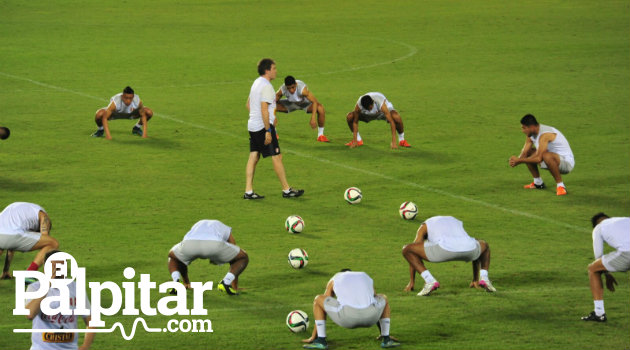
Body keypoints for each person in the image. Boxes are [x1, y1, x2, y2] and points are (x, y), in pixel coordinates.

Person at [244, 58, 304, 200]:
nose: (276, 71)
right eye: (274, 68)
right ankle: (286, 190)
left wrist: (261, 117)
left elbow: (248, 104)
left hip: (252, 125)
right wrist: (267, 129)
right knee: (276, 156)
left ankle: (248, 191)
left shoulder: (256, 83)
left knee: (254, 155)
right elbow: (264, 108)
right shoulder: (267, 87)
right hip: (262, 127)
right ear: (267, 70)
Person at [302, 269, 400, 349]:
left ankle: (321, 340)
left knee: (318, 299)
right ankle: (386, 338)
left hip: (347, 318)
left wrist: (313, 336)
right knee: (383, 298)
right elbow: (374, 297)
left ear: (341, 272)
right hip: (372, 317)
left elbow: (323, 306)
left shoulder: (335, 278)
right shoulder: (365, 275)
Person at [402, 215, 496, 296]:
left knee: (407, 249)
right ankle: (483, 278)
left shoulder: (425, 225)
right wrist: (475, 279)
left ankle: (429, 280)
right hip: (470, 250)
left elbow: (414, 251)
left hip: (444, 250)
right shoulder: (455, 221)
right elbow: (470, 246)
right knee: (485, 246)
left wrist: (412, 282)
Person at [25, 250, 95, 350]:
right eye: (54, 267)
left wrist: (85, 346)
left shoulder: (75, 288)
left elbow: (91, 320)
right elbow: (29, 314)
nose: (57, 271)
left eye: (61, 267)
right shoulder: (35, 288)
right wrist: (47, 285)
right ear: (45, 268)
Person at [168, 219, 249, 296]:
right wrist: (234, 285)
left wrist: (186, 281)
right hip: (213, 245)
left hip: (189, 244)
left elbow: (182, 259)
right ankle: (226, 282)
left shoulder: (197, 226)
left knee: (174, 257)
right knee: (242, 257)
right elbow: (234, 251)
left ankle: (177, 282)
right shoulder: (224, 227)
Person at [509, 114, 575, 196]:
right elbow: (525, 153)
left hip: (566, 163)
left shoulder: (545, 135)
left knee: (546, 156)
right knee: (530, 152)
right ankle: (538, 183)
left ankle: (561, 186)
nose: (523, 130)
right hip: (553, 158)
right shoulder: (531, 134)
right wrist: (516, 161)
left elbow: (539, 158)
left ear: (532, 127)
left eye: (524, 128)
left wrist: (519, 160)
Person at [581, 213, 630, 322]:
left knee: (593, 269)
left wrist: (607, 274)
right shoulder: (623, 219)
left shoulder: (599, 228)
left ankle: (599, 313)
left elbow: (598, 256)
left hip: (627, 253)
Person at [0, 202, 59, 277]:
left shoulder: (21, 210)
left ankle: (5, 274)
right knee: (53, 243)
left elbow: (10, 245)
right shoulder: (43, 215)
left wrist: (6, 270)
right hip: (13, 235)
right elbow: (45, 238)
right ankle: (29, 274)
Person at [345, 92, 410, 149]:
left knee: (396, 117)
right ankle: (358, 141)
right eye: (368, 109)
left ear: (373, 102)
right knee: (350, 116)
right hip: (367, 115)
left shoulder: (379, 100)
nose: (370, 110)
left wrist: (393, 142)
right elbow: (355, 122)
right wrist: (355, 140)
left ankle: (402, 140)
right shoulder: (359, 105)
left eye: (370, 108)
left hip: (382, 113)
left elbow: (391, 122)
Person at [275, 76, 329, 142]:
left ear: (296, 84)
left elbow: (314, 101)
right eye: (289, 88)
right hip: (291, 104)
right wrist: (273, 115)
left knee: (320, 108)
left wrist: (313, 117)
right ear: (286, 87)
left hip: (305, 104)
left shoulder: (302, 90)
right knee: (269, 107)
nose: (291, 90)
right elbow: (272, 102)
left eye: (293, 87)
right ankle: (274, 133)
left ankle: (321, 135)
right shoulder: (282, 89)